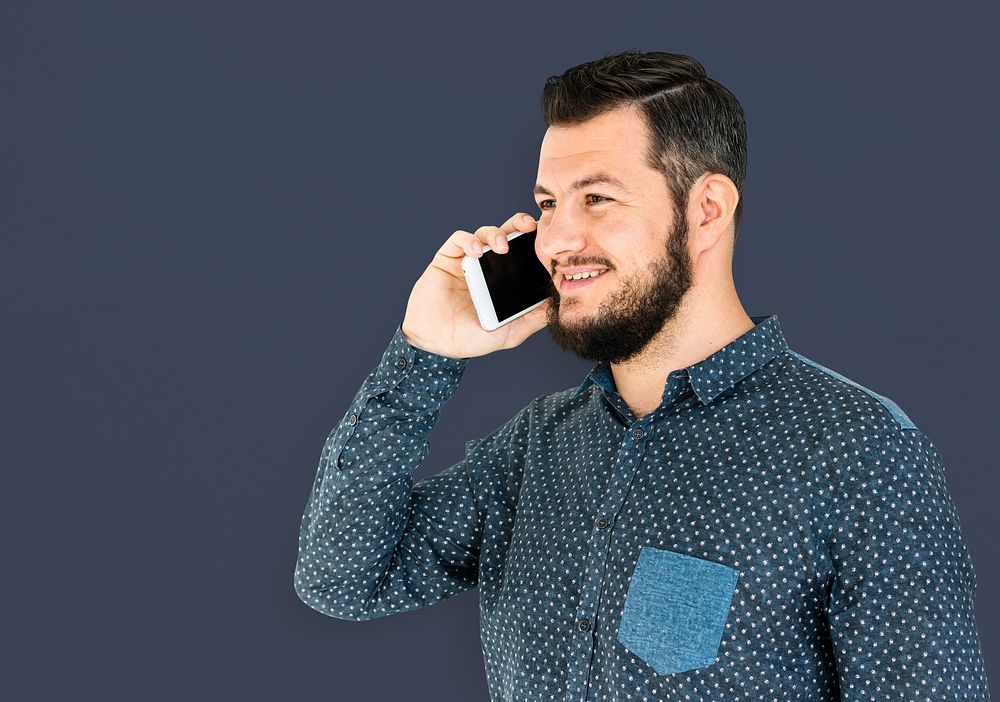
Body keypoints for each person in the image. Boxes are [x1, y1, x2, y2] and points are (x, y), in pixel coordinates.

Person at [293, 50, 990, 700]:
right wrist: (424, 352)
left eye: (597, 198)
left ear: (706, 210)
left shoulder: (859, 453)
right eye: (547, 203)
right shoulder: (534, 449)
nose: (559, 240)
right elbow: (343, 579)